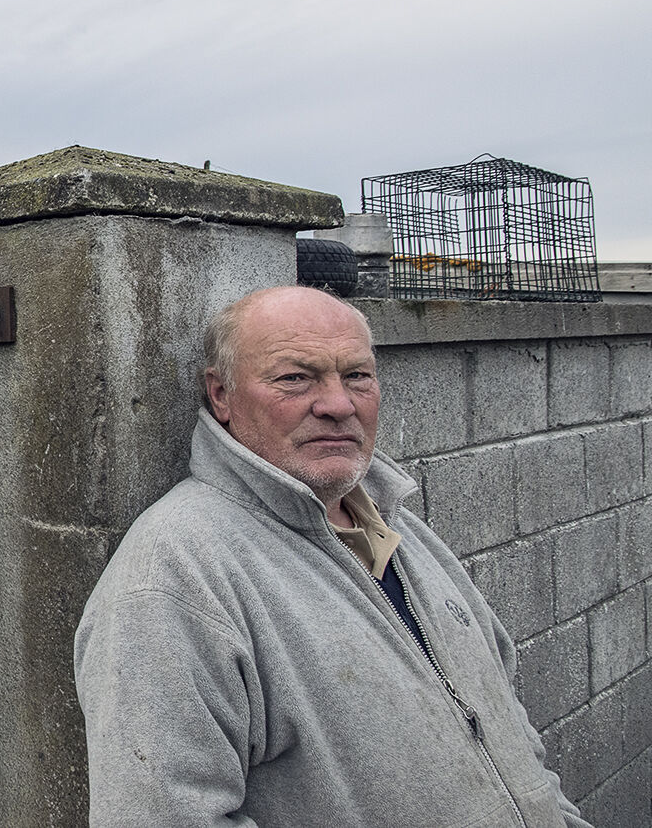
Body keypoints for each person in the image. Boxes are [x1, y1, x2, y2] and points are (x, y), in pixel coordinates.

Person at [74, 285, 590, 827]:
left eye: (357, 376)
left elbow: (513, 735)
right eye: (295, 378)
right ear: (221, 395)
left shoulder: (400, 529)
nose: (338, 404)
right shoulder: (175, 574)